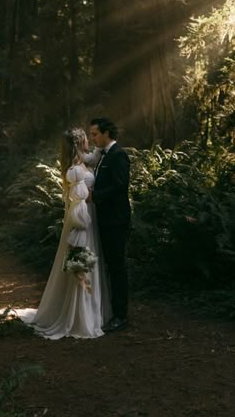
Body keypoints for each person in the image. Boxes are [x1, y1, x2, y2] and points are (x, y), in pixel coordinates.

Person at [14, 128, 111, 339]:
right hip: (82, 221)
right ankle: (80, 315)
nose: (89, 141)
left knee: (88, 264)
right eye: (86, 138)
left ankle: (93, 311)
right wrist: (81, 225)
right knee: (83, 263)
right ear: (79, 143)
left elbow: (95, 158)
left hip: (89, 217)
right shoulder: (75, 170)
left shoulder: (82, 164)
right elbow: (78, 201)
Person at [90, 117, 131, 332]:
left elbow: (120, 186)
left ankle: (121, 315)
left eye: (95, 134)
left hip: (116, 220)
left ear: (107, 133)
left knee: (117, 267)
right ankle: (111, 310)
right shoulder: (101, 156)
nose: (93, 138)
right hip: (105, 220)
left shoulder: (118, 155)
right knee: (111, 266)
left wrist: (94, 196)